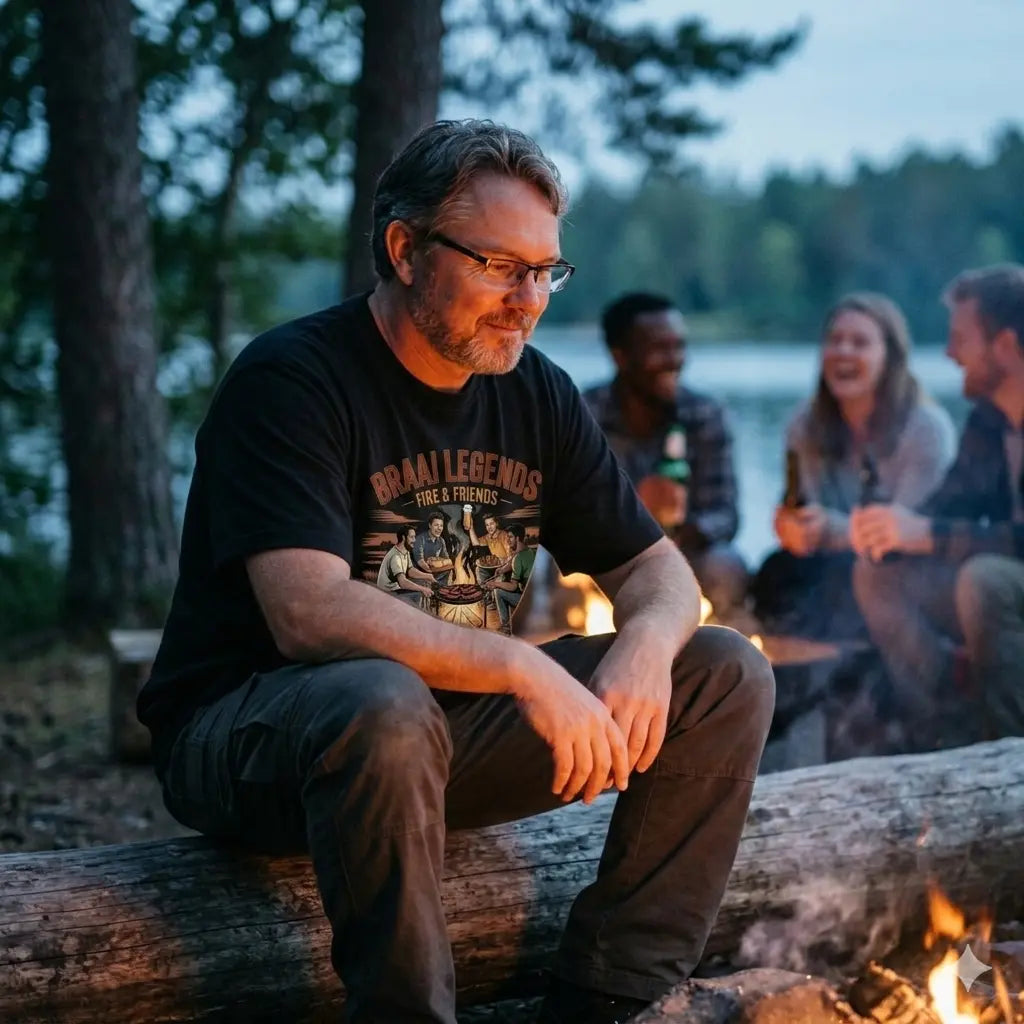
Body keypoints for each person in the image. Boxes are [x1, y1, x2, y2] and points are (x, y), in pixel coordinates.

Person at [137, 119, 774, 1024]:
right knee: (382, 699)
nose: (528, 300)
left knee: (724, 672)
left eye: (545, 271)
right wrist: (520, 667)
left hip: (441, 733)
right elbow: (307, 612)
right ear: (405, 251)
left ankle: (611, 998)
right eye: (499, 266)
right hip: (252, 737)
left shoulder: (535, 391)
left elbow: (658, 572)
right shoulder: (291, 381)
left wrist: (643, 645)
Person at [850, 265, 1024, 749]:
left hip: (1002, 584)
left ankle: (1010, 751)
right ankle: (944, 728)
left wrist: (925, 534)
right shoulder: (990, 420)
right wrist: (889, 527)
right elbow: (949, 504)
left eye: (960, 339)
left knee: (984, 580)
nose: (949, 353)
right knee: (877, 572)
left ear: (1005, 345)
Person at [752, 292, 956, 639]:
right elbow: (805, 509)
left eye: (860, 343)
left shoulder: (927, 430)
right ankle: (789, 665)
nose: (843, 351)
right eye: (834, 340)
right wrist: (794, 526)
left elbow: (906, 532)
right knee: (779, 572)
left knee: (861, 575)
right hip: (830, 567)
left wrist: (830, 530)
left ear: (890, 356)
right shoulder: (804, 424)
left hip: (906, 567)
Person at [582, 293, 749, 624]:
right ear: (620, 356)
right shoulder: (585, 414)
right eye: (659, 348)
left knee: (725, 566)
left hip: (685, 552)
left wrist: (685, 530)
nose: (674, 359)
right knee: (565, 578)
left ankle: (707, 645)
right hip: (609, 556)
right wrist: (637, 516)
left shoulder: (705, 415)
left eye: (679, 346)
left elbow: (726, 516)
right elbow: (568, 516)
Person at [483, 523, 536, 634]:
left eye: (510, 537)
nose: (507, 540)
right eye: (507, 537)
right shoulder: (530, 551)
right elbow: (514, 563)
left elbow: (513, 586)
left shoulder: (518, 558)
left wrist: (495, 584)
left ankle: (506, 626)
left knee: (498, 591)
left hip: (529, 602)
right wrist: (502, 570)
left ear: (517, 538)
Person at [376, 525, 436, 606]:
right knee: (418, 593)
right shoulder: (395, 557)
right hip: (387, 593)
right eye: (412, 537)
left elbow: (410, 570)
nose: (414, 540)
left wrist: (427, 576)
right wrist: (423, 589)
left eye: (414, 537)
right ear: (404, 538)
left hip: (396, 589)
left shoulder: (405, 551)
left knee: (423, 583)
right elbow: (403, 582)